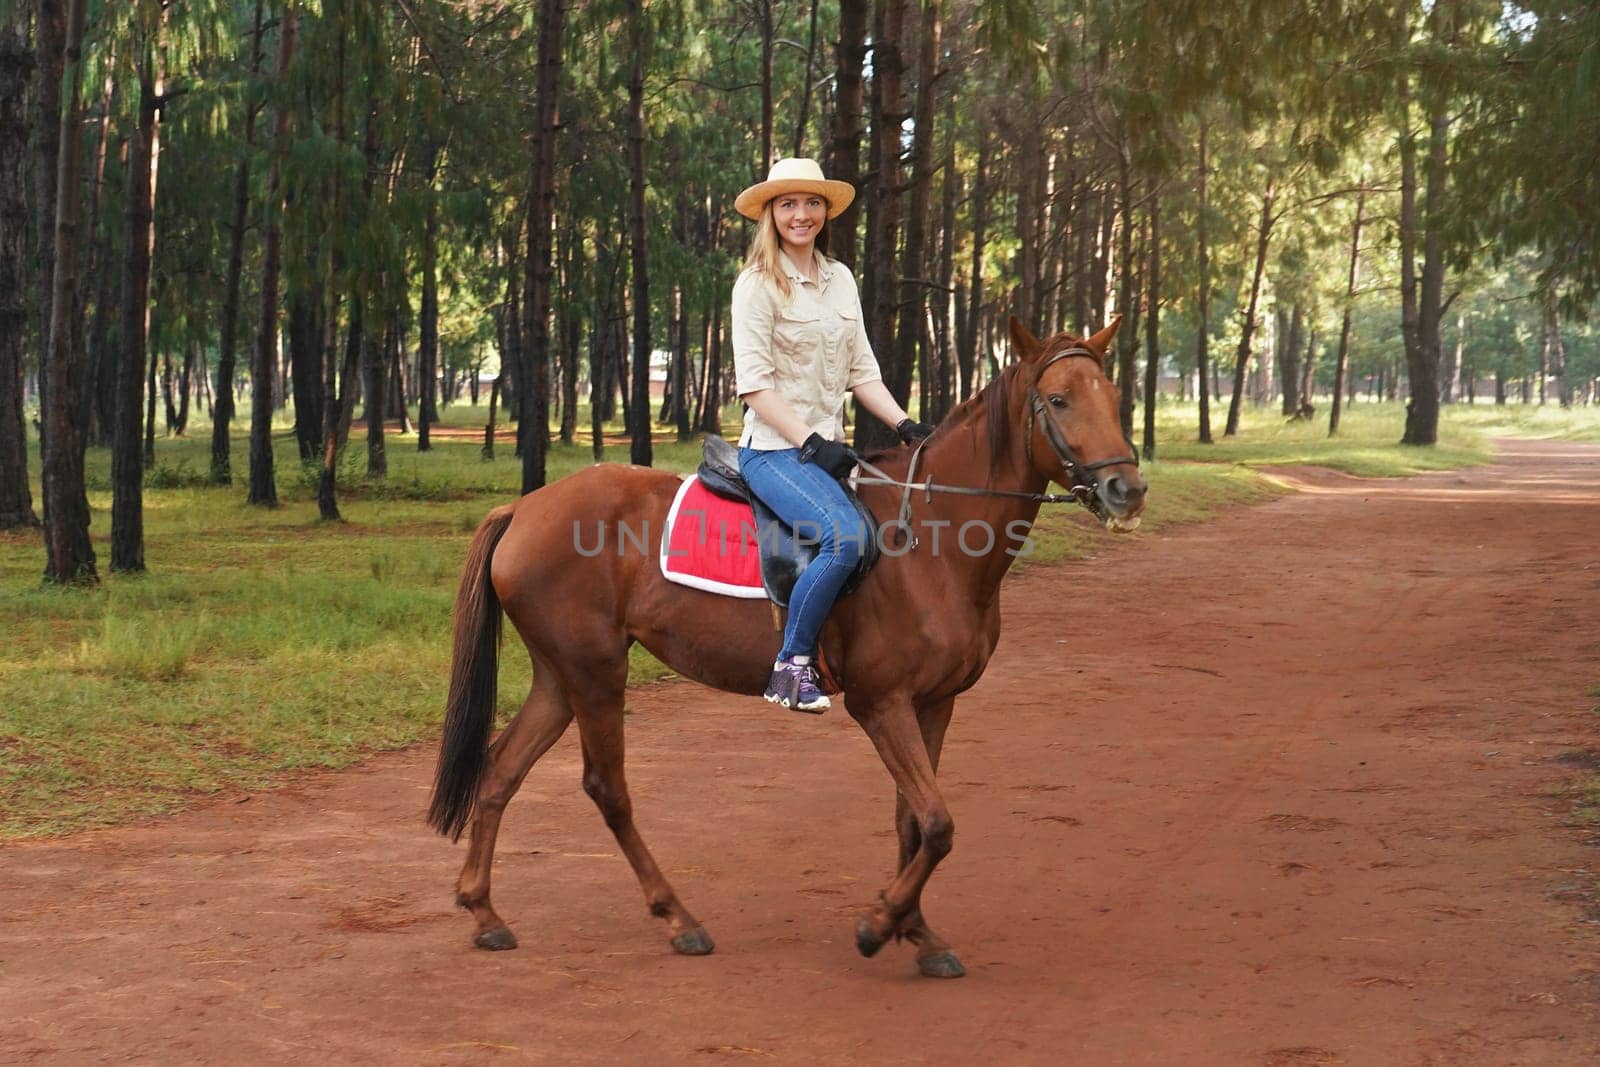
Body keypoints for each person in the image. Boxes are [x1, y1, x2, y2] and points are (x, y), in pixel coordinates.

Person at [731, 158, 933, 713]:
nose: (802, 215)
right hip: (774, 451)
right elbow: (754, 386)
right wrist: (809, 442)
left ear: (826, 211)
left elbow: (861, 371)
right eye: (788, 204)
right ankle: (791, 666)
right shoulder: (756, 285)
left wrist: (906, 425)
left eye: (812, 203)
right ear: (770, 214)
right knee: (847, 536)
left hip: (825, 454)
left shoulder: (839, 278)